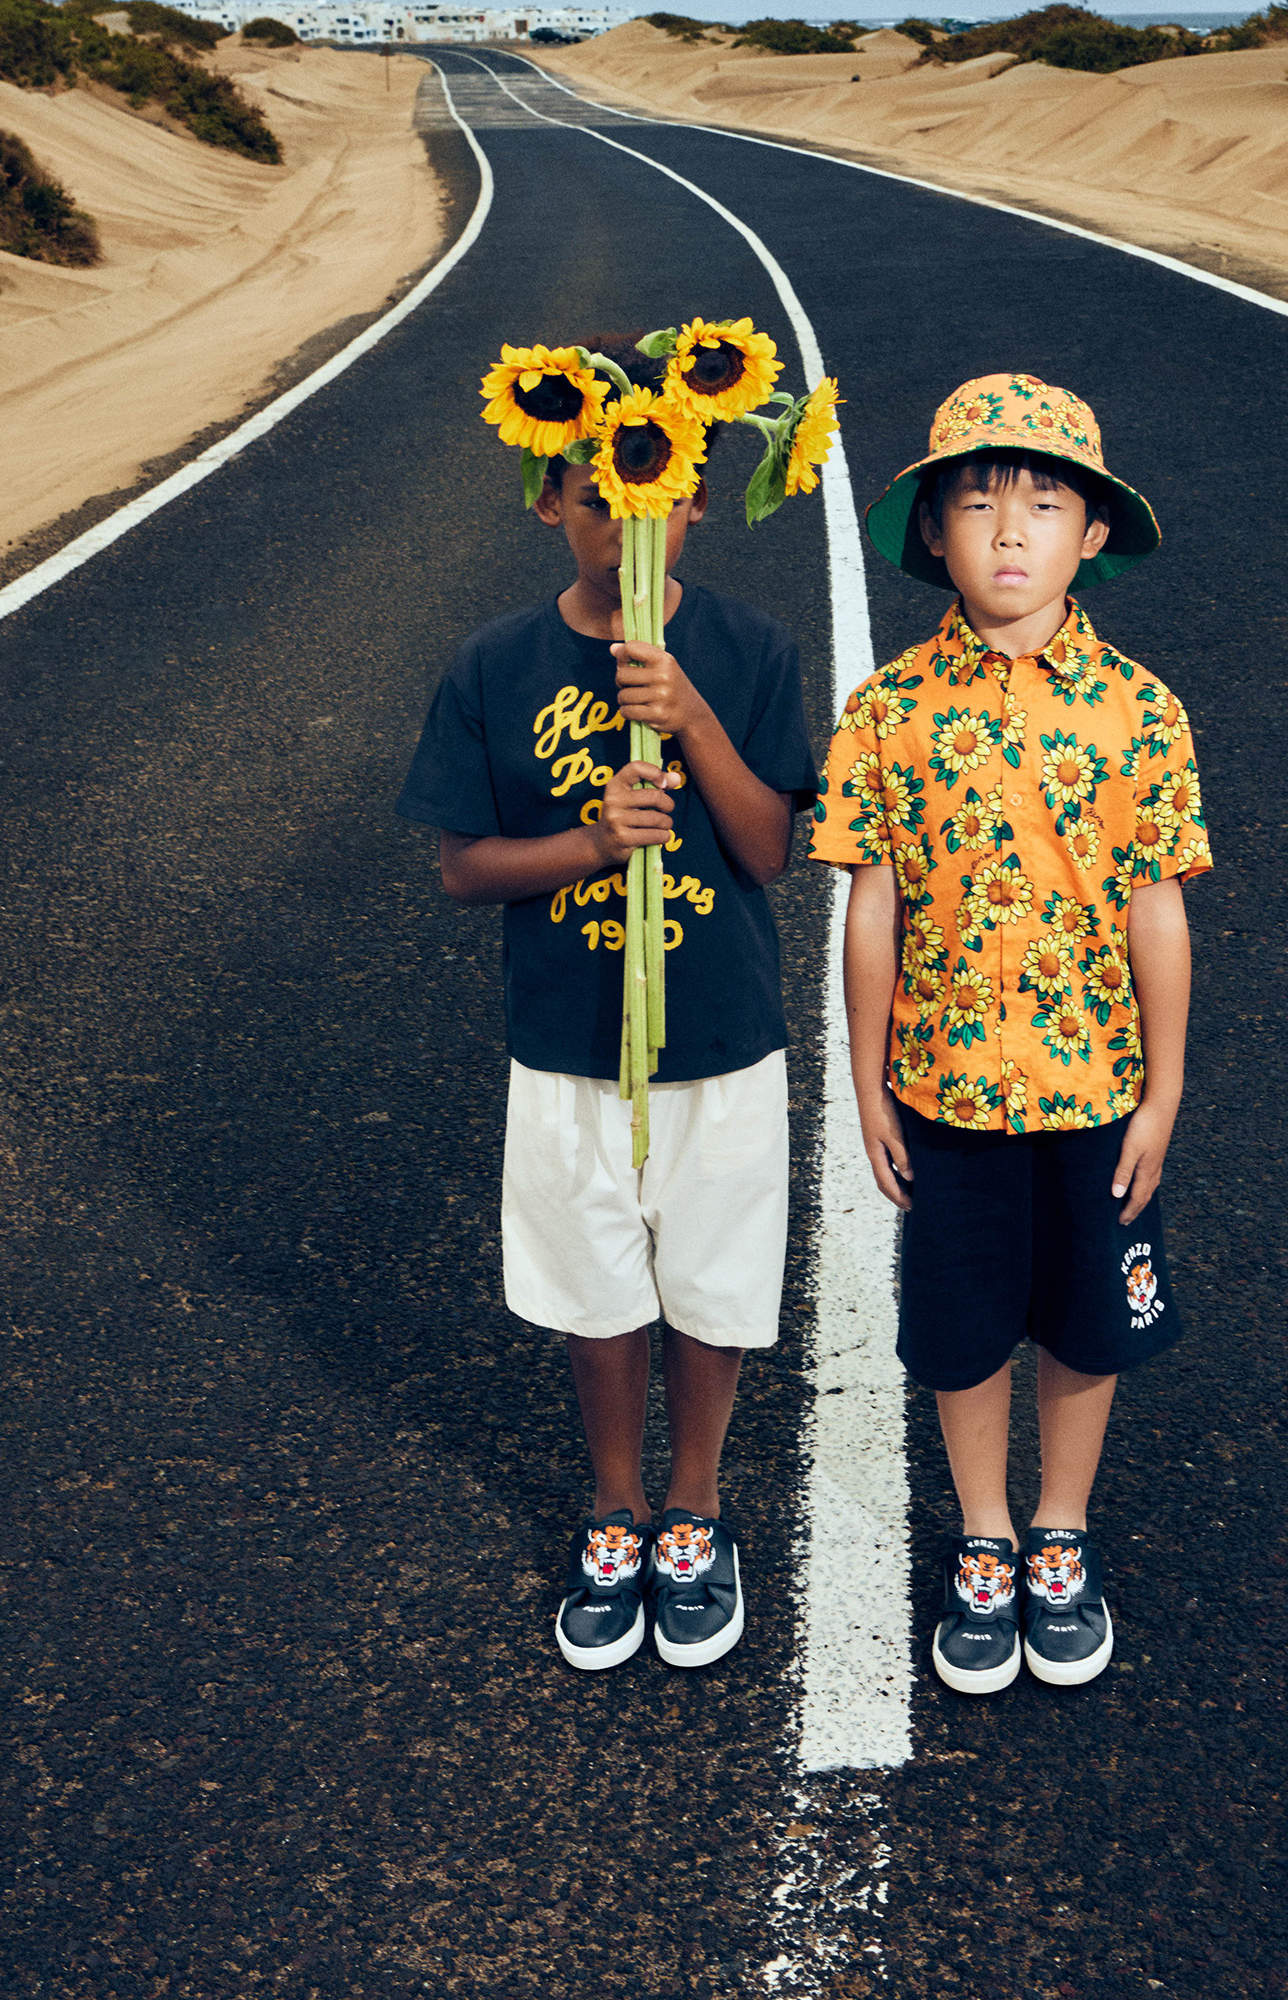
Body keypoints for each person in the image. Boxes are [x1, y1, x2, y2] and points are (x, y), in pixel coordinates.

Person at [396, 333, 816, 1671]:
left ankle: (695, 1504)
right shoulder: (491, 666)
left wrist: (689, 717)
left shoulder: (749, 651)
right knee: (598, 1286)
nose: (626, 519)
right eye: (595, 497)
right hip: (568, 1039)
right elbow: (465, 867)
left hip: (721, 1031)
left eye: (653, 495)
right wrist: (591, 845)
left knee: (712, 1280)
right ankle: (615, 1505)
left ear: (693, 495)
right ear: (548, 503)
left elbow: (767, 850)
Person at [812, 373, 1212, 1694]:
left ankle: (1061, 1531)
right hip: (947, 1090)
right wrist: (866, 1083)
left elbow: (1159, 910)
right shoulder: (886, 710)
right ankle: (985, 1534)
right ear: (931, 529)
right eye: (977, 501)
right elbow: (871, 910)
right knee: (962, 1323)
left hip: (1096, 1086)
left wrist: (1159, 1098)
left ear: (1092, 531)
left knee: (1089, 1323)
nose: (1008, 531)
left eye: (1044, 503)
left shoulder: (1144, 710)